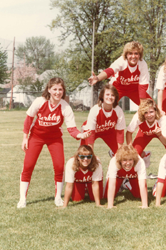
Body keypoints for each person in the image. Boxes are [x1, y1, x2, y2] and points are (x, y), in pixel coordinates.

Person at [18, 77, 91, 208]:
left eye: (60, 89)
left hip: (55, 138)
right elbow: (28, 119)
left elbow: (72, 129)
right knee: (28, 165)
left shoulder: (65, 106)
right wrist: (25, 138)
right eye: (55, 89)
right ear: (49, 89)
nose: (57, 92)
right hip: (36, 137)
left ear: (63, 91)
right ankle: (22, 198)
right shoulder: (40, 101)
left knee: (59, 166)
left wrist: (81, 135)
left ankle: (58, 197)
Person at [88, 41, 152, 105]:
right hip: (118, 87)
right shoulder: (122, 61)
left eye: (136, 53)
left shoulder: (142, 64)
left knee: (151, 107)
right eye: (130, 53)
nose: (133, 56)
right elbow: (110, 71)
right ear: (126, 55)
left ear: (140, 55)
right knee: (105, 105)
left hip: (134, 89)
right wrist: (97, 78)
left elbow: (143, 86)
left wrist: (143, 106)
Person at [81, 84, 126, 156]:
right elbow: (91, 134)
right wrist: (90, 155)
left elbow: (120, 133)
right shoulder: (95, 110)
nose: (110, 97)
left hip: (108, 131)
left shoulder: (118, 110)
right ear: (102, 96)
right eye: (107, 94)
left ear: (115, 97)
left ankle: (113, 153)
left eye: (112, 95)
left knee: (121, 154)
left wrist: (120, 154)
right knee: (85, 154)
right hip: (90, 131)